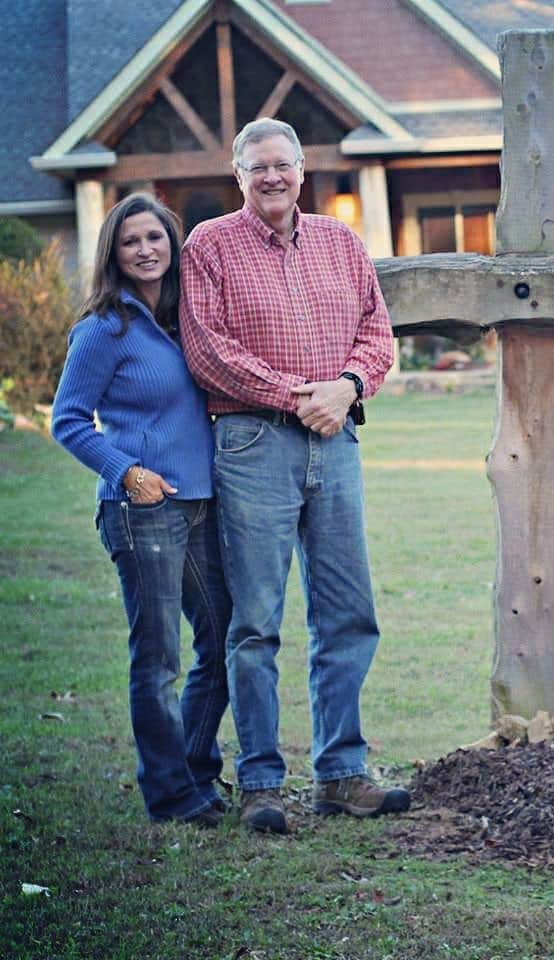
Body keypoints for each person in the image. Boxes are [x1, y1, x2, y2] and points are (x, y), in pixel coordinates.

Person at [179, 118, 408, 834]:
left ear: (302, 170)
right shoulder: (208, 245)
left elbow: (377, 332)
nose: (271, 177)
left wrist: (345, 386)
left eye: (283, 164)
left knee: (348, 611)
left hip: (336, 440)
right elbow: (206, 349)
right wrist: (296, 395)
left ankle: (342, 773)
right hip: (252, 442)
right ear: (238, 174)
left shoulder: (342, 242)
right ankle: (261, 782)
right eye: (257, 167)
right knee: (254, 621)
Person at [51, 194, 231, 827]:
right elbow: (67, 421)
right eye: (131, 241)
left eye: (155, 236)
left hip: (204, 505)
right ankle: (170, 795)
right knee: (158, 658)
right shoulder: (104, 327)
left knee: (227, 640)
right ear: (114, 253)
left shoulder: (190, 320)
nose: (146, 249)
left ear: (171, 244)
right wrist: (126, 471)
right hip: (141, 509)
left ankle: (196, 771)